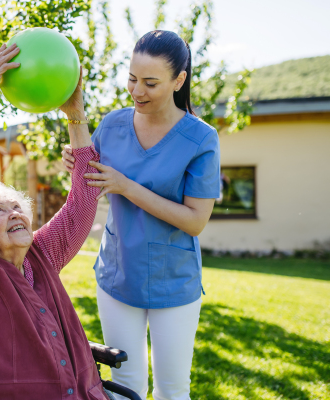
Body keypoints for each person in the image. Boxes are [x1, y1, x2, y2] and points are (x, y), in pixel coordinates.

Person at [0, 43, 110, 399]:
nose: (14, 212)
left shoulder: (41, 255)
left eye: (16, 206)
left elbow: (84, 200)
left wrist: (76, 115)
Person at [62, 30, 220, 400]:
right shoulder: (113, 125)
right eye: (132, 79)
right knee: (123, 384)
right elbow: (89, 182)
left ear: (179, 80)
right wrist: (73, 161)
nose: (136, 91)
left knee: (172, 388)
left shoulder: (201, 139)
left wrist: (127, 186)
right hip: (118, 274)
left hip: (174, 281)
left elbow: (195, 220)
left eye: (151, 82)